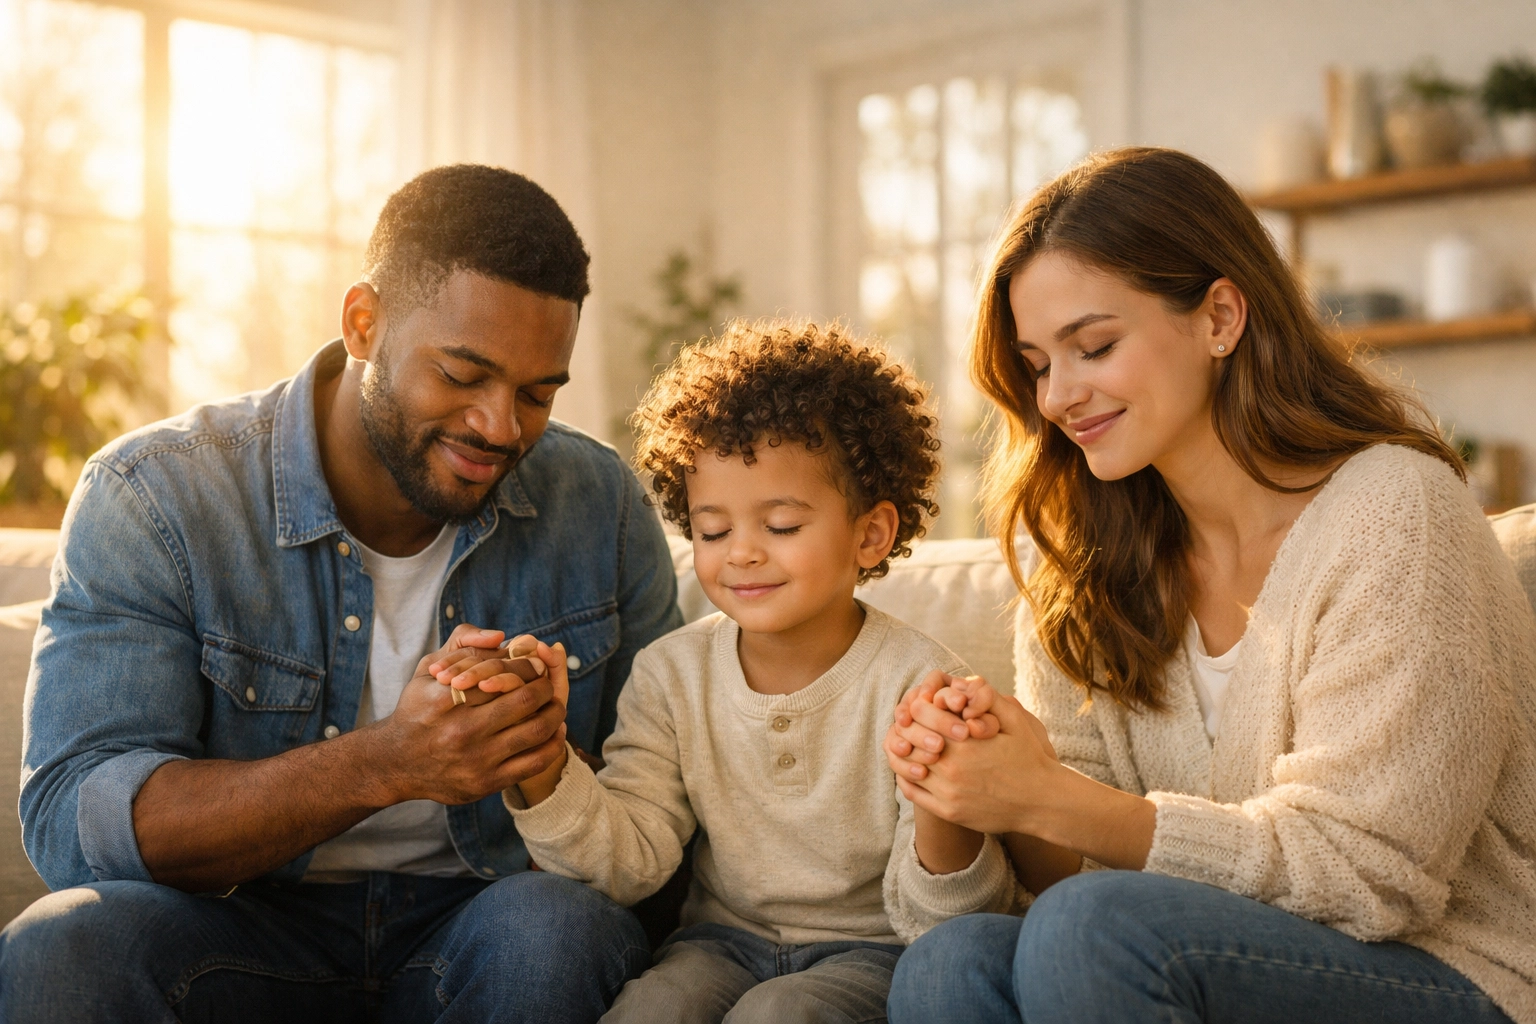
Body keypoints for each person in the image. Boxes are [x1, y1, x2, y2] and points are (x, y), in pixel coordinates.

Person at [1, 165, 681, 1022]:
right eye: (463, 375)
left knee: (559, 928)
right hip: (236, 925)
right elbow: (76, 821)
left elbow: (670, 801)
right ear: (364, 323)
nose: (501, 426)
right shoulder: (156, 495)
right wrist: (389, 762)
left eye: (537, 393)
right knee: (60, 946)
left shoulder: (602, 503)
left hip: (486, 917)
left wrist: (549, 766)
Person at [883, 147, 1536, 1024]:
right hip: (1198, 956)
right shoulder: (1082, 554)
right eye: (1039, 364)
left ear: (1220, 316)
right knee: (954, 963)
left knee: (1092, 929)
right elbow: (1067, 872)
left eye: (1095, 346)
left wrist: (1058, 797)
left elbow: (1372, 877)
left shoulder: (1397, 513)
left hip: (1449, 973)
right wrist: (975, 783)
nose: (1058, 397)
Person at [440, 320, 1018, 1024]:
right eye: (713, 531)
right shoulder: (672, 675)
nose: (740, 554)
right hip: (716, 945)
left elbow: (944, 921)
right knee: (650, 1010)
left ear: (870, 534)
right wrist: (540, 759)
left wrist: (942, 801)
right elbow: (632, 860)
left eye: (779, 526)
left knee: (777, 1015)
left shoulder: (921, 685)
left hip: (872, 952)